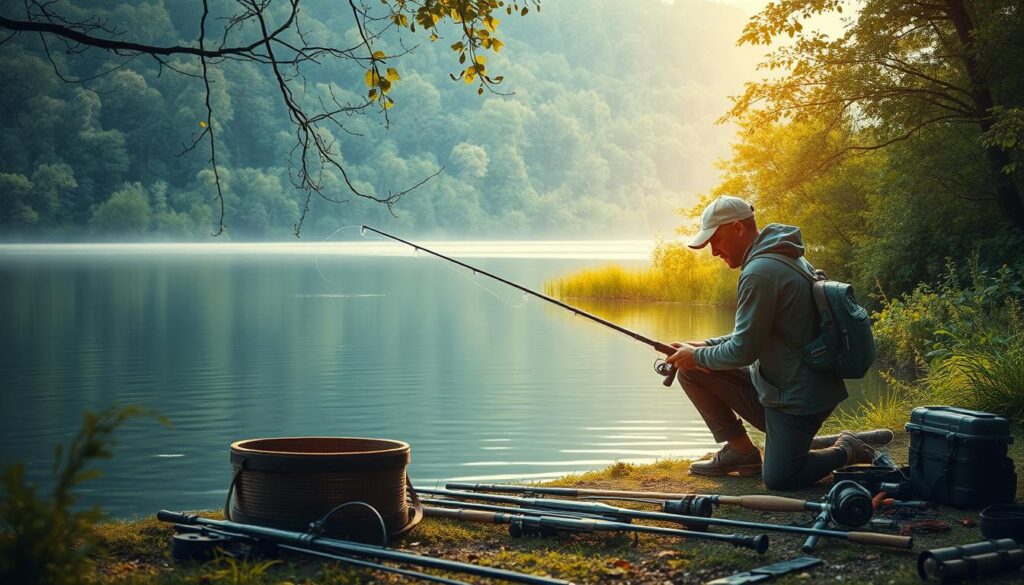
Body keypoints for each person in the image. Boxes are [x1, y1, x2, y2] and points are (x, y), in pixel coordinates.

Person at [665, 195, 892, 490]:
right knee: (692, 370)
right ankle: (741, 452)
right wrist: (702, 347)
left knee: (781, 477)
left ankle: (847, 449)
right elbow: (752, 337)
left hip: (796, 397)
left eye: (715, 241)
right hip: (786, 383)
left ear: (737, 228)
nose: (713, 252)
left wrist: (698, 356)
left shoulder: (760, 272)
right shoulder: (782, 256)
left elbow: (743, 350)